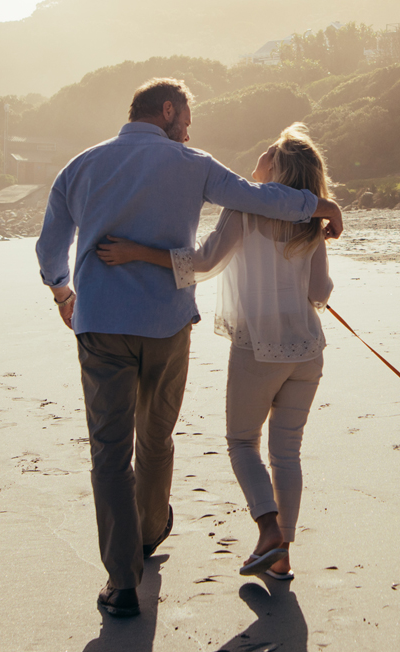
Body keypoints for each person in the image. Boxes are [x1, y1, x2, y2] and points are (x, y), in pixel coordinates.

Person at [35, 81, 343, 618]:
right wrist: (318, 203)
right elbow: (258, 199)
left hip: (102, 322)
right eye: (188, 117)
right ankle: (156, 531)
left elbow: (49, 248)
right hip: (169, 325)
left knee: (110, 451)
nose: (190, 128)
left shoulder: (79, 166)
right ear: (170, 111)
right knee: (157, 438)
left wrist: (63, 290)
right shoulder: (193, 163)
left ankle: (122, 580)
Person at [97, 124, 335, 582]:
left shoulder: (243, 210)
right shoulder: (312, 222)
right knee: (288, 454)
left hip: (258, 350)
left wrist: (135, 252)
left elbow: (201, 263)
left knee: (243, 443)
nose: (258, 156)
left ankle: (269, 534)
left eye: (267, 151)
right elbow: (320, 291)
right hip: (307, 352)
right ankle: (281, 553)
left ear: (278, 168)